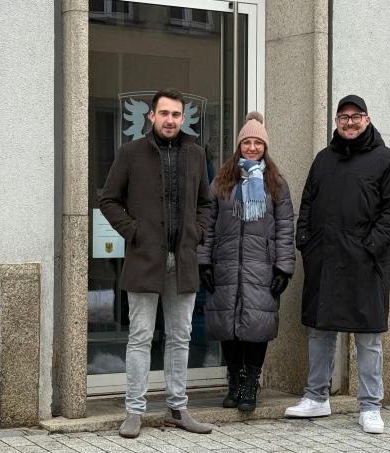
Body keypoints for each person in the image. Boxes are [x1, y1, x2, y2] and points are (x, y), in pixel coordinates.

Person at [285, 95, 390, 434]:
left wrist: (369, 246)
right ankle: (316, 397)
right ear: (337, 122)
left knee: (368, 336)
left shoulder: (386, 160)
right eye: (344, 117)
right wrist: (305, 243)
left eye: (356, 117)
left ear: (367, 120)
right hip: (324, 259)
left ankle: (370, 405)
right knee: (320, 330)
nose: (350, 122)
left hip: (365, 263)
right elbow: (308, 203)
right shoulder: (323, 159)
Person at [99, 88, 214, 438]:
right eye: (164, 113)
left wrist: (197, 233)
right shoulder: (130, 153)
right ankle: (134, 411)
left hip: (183, 260)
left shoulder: (195, 155)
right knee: (140, 336)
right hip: (144, 258)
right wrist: (133, 233)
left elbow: (206, 204)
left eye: (176, 115)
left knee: (180, 336)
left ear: (184, 118)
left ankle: (177, 409)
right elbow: (108, 199)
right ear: (151, 116)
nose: (170, 120)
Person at [197, 112, 295, 412]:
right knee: (228, 325)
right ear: (239, 146)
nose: (252, 148)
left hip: (261, 267)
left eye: (258, 143)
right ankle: (234, 382)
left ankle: (251, 383)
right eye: (247, 142)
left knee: (256, 326)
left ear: (265, 147)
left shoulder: (276, 183)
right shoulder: (222, 181)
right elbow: (208, 224)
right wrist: (204, 263)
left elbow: (285, 227)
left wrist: (284, 269)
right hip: (226, 264)